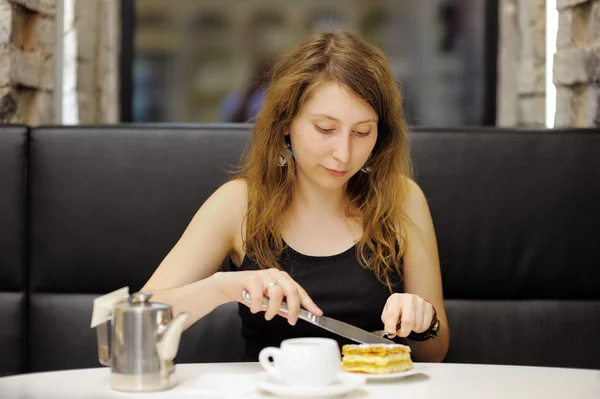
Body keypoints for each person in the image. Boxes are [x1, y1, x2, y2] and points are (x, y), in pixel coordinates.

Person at [142, 30, 449, 363]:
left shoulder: (403, 199)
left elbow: (435, 352)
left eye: (362, 132)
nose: (343, 154)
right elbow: (136, 321)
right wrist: (222, 288)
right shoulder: (238, 203)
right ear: (286, 122)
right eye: (325, 129)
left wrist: (424, 320)